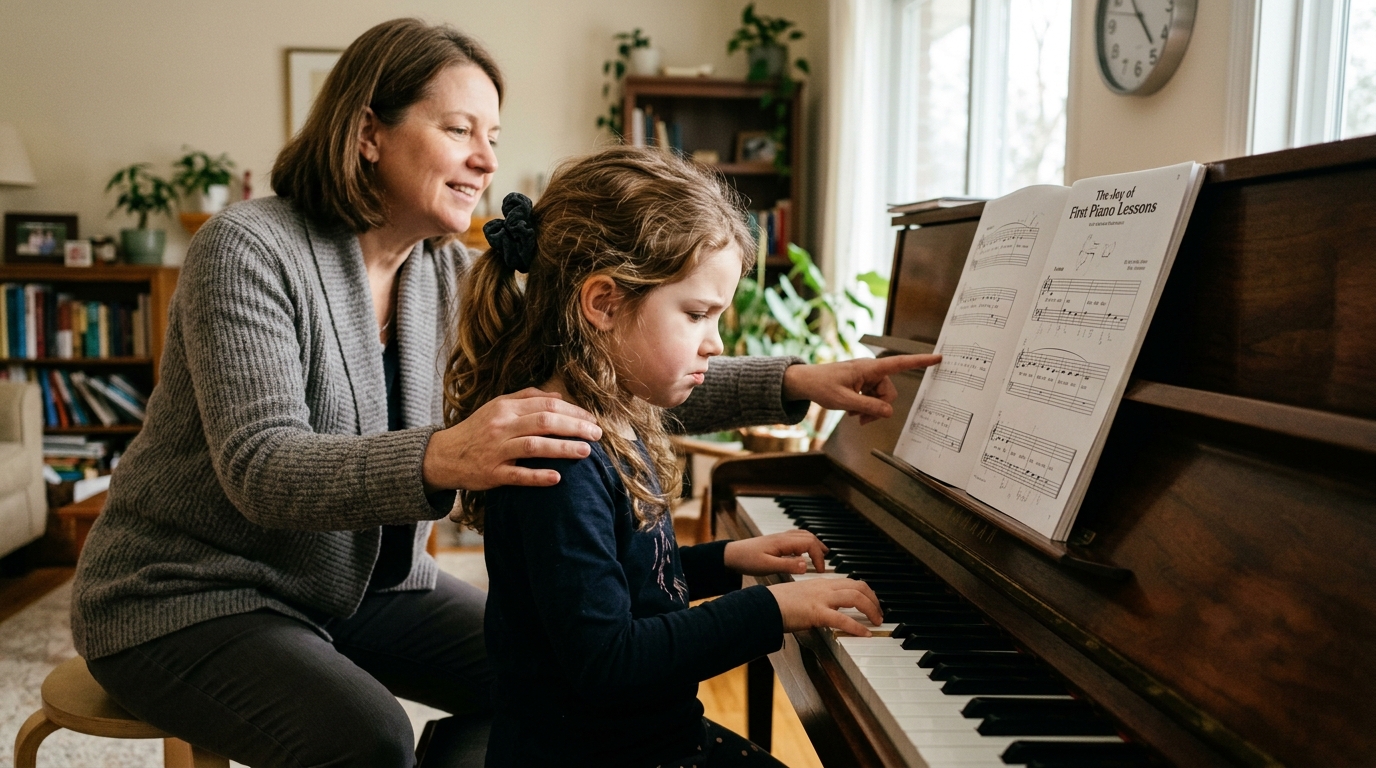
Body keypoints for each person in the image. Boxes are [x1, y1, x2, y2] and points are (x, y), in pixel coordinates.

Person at [70, 18, 938, 768]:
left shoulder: (446, 273)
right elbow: (262, 468)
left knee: (549, 675)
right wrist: (448, 454)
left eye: (494, 133)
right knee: (367, 736)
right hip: (192, 592)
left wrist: (791, 381)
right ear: (368, 131)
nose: (488, 159)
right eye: (459, 130)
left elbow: (606, 368)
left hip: (365, 588)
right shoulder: (250, 249)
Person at [450, 148, 904, 767]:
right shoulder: (560, 461)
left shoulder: (615, 416)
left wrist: (726, 560)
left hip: (653, 743)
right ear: (604, 303)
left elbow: (626, 578)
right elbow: (610, 659)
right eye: (697, 314)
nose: (715, 343)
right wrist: (772, 608)